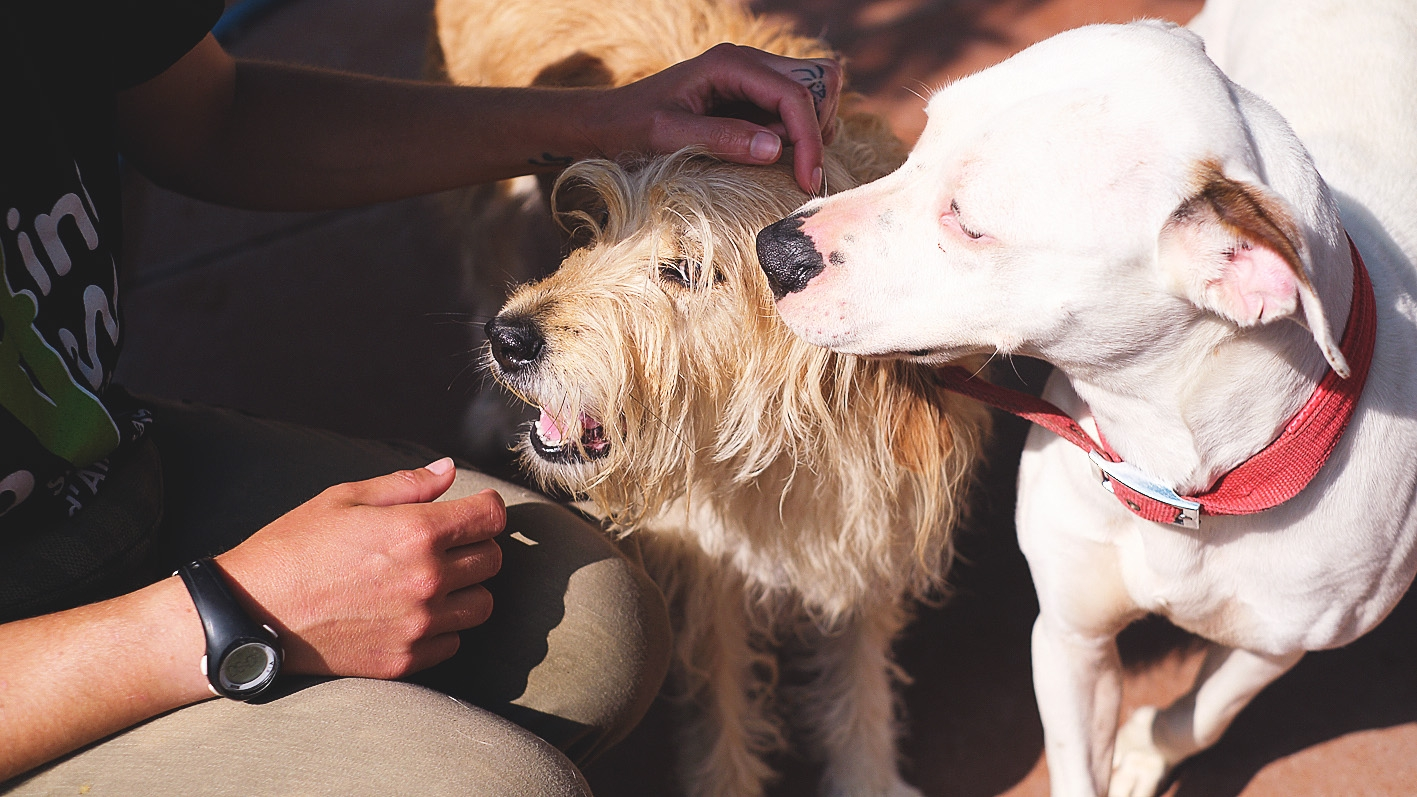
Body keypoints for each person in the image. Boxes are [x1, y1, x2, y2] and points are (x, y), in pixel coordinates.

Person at [0, 0, 842, 793]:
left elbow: (212, 116)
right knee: (504, 783)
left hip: (101, 469)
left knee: (600, 626)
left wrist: (604, 119)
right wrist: (227, 615)